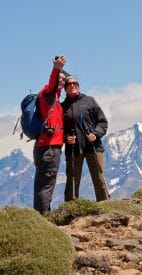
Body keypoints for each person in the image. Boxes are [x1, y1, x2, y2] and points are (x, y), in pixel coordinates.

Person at [62, 76, 109, 202]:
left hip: (93, 146)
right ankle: (70, 211)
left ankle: (105, 208)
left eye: (75, 83)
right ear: (65, 88)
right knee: (72, 181)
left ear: (78, 85)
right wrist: (66, 138)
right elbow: (59, 129)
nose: (72, 85)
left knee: (99, 179)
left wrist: (96, 134)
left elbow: (102, 122)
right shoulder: (62, 107)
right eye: (69, 84)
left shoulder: (89, 101)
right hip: (73, 148)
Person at [34, 56, 68, 213]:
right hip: (49, 148)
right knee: (46, 184)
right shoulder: (47, 94)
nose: (61, 81)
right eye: (59, 79)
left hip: (47, 147)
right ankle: (43, 219)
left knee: (44, 183)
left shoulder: (55, 101)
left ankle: (42, 217)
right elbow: (52, 84)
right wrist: (57, 69)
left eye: (64, 80)